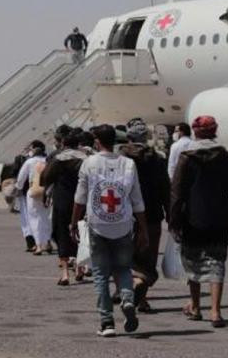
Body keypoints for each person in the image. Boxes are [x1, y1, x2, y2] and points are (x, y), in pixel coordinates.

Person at [70, 124, 149, 338]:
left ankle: (107, 323)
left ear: (97, 142)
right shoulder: (129, 164)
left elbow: (80, 198)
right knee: (123, 269)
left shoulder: (89, 163)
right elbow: (137, 200)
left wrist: (73, 222)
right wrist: (143, 228)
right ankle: (127, 299)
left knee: (100, 274)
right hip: (123, 224)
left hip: (98, 224)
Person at [169, 116, 228, 328]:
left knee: (193, 262)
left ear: (195, 132)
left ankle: (195, 306)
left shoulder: (186, 157)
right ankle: (216, 312)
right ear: (214, 131)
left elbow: (176, 193)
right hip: (219, 218)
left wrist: (174, 220)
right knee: (216, 262)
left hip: (192, 218)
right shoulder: (225, 156)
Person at [119, 118, 170, 313]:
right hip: (152, 214)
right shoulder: (158, 158)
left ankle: (126, 290)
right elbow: (165, 188)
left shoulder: (121, 159)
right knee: (148, 255)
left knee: (124, 254)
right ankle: (142, 296)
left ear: (129, 137)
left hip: (125, 213)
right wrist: (170, 213)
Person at [41, 131, 88, 286]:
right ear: (77, 144)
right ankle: (80, 268)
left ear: (63, 144)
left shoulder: (58, 159)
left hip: (62, 199)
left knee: (61, 232)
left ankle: (65, 273)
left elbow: (45, 179)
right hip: (82, 200)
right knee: (81, 232)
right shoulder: (85, 158)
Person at [16, 140, 52, 255]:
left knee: (34, 218)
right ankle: (48, 242)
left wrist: (18, 188)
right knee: (46, 217)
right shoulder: (48, 161)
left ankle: (39, 246)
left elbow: (21, 179)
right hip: (46, 192)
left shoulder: (29, 162)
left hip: (33, 191)